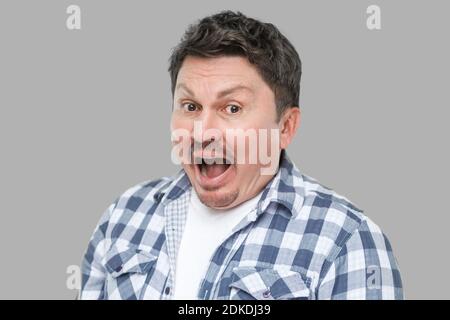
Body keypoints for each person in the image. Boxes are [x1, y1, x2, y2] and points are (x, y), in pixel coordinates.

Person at [80, 10, 403, 300]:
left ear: (286, 127)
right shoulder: (125, 215)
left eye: (231, 108)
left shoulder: (347, 240)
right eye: (190, 107)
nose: (203, 131)